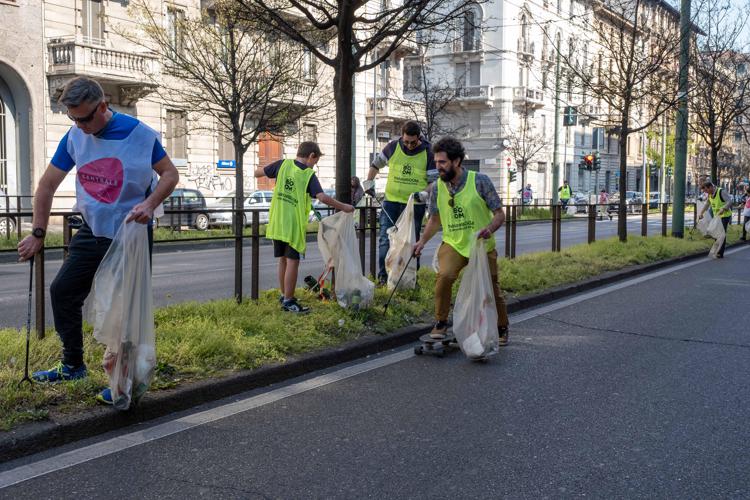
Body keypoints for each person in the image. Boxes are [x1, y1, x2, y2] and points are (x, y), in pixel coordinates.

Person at [16, 77, 179, 402]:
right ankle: (72, 364)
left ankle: (123, 384)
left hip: (129, 233)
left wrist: (149, 204)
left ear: (103, 106)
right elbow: (46, 186)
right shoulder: (75, 136)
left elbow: (170, 174)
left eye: (85, 118)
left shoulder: (141, 135)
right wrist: (37, 233)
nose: (79, 125)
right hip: (91, 229)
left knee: (124, 311)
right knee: (63, 291)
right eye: (73, 118)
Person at [413, 137, 510, 346]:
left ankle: (501, 326)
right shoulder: (438, 187)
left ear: (456, 161)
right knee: (444, 276)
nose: (437, 167)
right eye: (436, 162)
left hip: (481, 244)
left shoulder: (480, 181)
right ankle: (440, 321)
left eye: (442, 162)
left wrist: (489, 229)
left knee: (491, 287)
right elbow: (435, 219)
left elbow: (500, 214)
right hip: (454, 243)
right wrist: (421, 242)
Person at [255, 141, 353, 313]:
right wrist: (344, 207)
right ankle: (289, 301)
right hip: (293, 225)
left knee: (283, 260)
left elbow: (258, 173)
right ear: (311, 156)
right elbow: (322, 197)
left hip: (277, 222)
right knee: (293, 261)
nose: (315, 165)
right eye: (316, 161)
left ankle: (283, 294)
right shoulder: (308, 174)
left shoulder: (282, 164)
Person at [363, 121, 436, 285]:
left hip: (414, 205)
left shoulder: (428, 151)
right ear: (402, 137)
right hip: (391, 202)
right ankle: (384, 277)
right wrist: (369, 182)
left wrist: (425, 192)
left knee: (411, 241)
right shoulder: (392, 146)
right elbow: (376, 165)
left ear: (419, 138)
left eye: (413, 142)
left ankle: (410, 279)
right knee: (385, 239)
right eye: (406, 142)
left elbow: (433, 181)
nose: (409, 145)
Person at [698, 181, 733, 258]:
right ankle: (718, 249)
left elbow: (729, 201)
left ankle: (719, 253)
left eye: (706, 190)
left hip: (725, 216)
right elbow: (707, 204)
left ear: (710, 187)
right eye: (705, 191)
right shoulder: (710, 194)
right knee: (715, 232)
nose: (706, 192)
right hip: (717, 216)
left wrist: (723, 208)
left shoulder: (721, 191)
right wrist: (701, 213)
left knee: (721, 234)